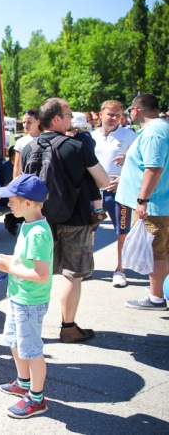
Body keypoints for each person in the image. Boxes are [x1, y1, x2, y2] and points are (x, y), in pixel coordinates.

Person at [20, 98, 110, 342]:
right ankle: (68, 328)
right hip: (75, 219)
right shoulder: (77, 146)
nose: (72, 119)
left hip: (40, 220)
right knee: (72, 274)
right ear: (57, 119)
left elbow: (23, 186)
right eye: (69, 115)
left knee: (37, 274)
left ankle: (30, 328)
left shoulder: (29, 148)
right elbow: (103, 182)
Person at [0, 174, 53, 419]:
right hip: (19, 297)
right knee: (16, 342)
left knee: (31, 350)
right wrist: (10, 260)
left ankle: (37, 399)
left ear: (28, 203)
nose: (7, 204)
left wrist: (9, 268)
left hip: (30, 300)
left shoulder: (38, 233)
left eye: (12, 200)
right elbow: (27, 262)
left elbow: (41, 275)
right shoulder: (29, 224)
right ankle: (23, 382)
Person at [116, 94, 169, 311]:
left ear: (136, 110)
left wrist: (142, 199)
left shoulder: (155, 131)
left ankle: (157, 297)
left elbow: (154, 168)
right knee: (159, 249)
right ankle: (158, 291)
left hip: (155, 205)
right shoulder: (156, 129)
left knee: (157, 250)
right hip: (155, 203)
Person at [91, 100, 138, 287]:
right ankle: (88, 265)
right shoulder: (91, 136)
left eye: (117, 115)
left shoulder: (129, 136)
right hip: (95, 192)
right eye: (110, 114)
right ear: (101, 114)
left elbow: (140, 164)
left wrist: (124, 177)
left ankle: (120, 269)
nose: (114, 118)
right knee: (90, 231)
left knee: (122, 231)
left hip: (118, 191)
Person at [13, 110, 41, 179]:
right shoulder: (20, 142)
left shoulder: (46, 138)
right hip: (27, 180)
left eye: (29, 122)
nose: (25, 125)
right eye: (24, 122)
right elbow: (17, 167)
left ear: (38, 121)